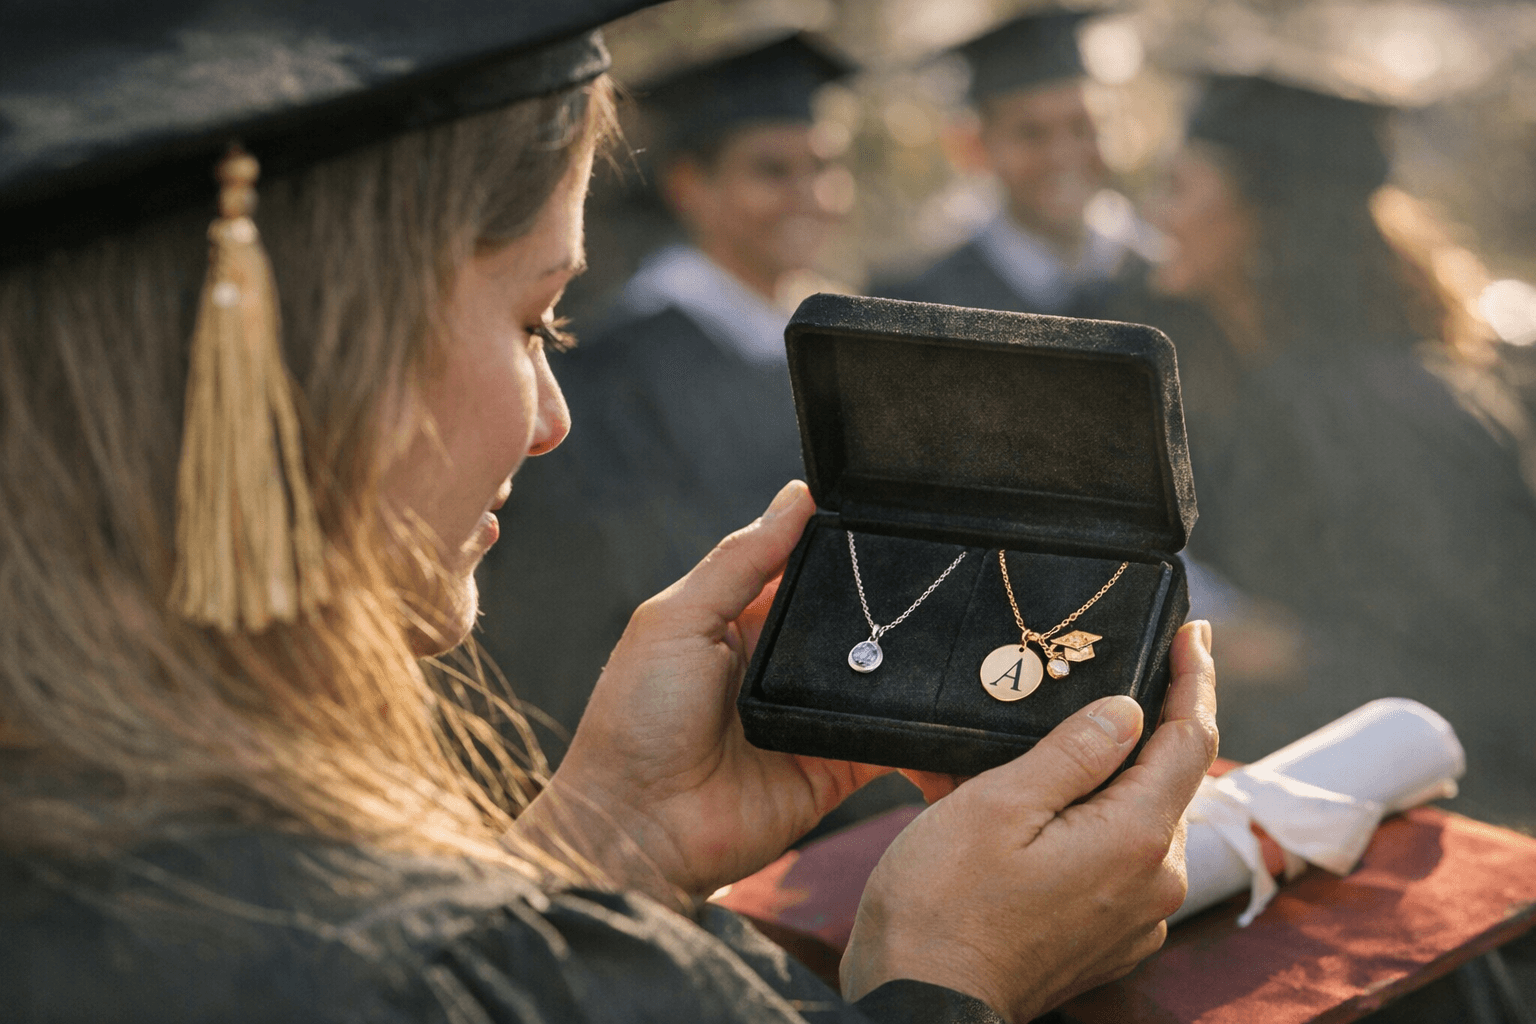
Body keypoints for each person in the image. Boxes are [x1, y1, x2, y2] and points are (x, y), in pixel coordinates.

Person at [0, 3, 1220, 1021]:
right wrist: (950, 980)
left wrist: (602, 848)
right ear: (297, 363)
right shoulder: (416, 973)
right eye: (534, 319)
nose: (551, 418)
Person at [1140, 73, 1536, 828]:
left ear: (1268, 218)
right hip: (1316, 803)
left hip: (1446, 828)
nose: (1155, 214)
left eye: (1179, 187)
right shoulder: (1257, 379)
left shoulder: (1390, 410)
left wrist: (1281, 650)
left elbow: (1481, 667)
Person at [473, 34, 857, 757]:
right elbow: (571, 615)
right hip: (689, 756)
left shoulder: (838, 352)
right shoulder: (614, 376)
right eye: (772, 170)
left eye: (825, 167)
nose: (809, 195)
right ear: (690, 187)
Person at [880, 9, 1140, 316]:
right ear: (976, 148)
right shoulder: (920, 305)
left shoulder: (1165, 279)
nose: (1062, 155)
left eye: (1083, 128)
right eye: (1031, 134)